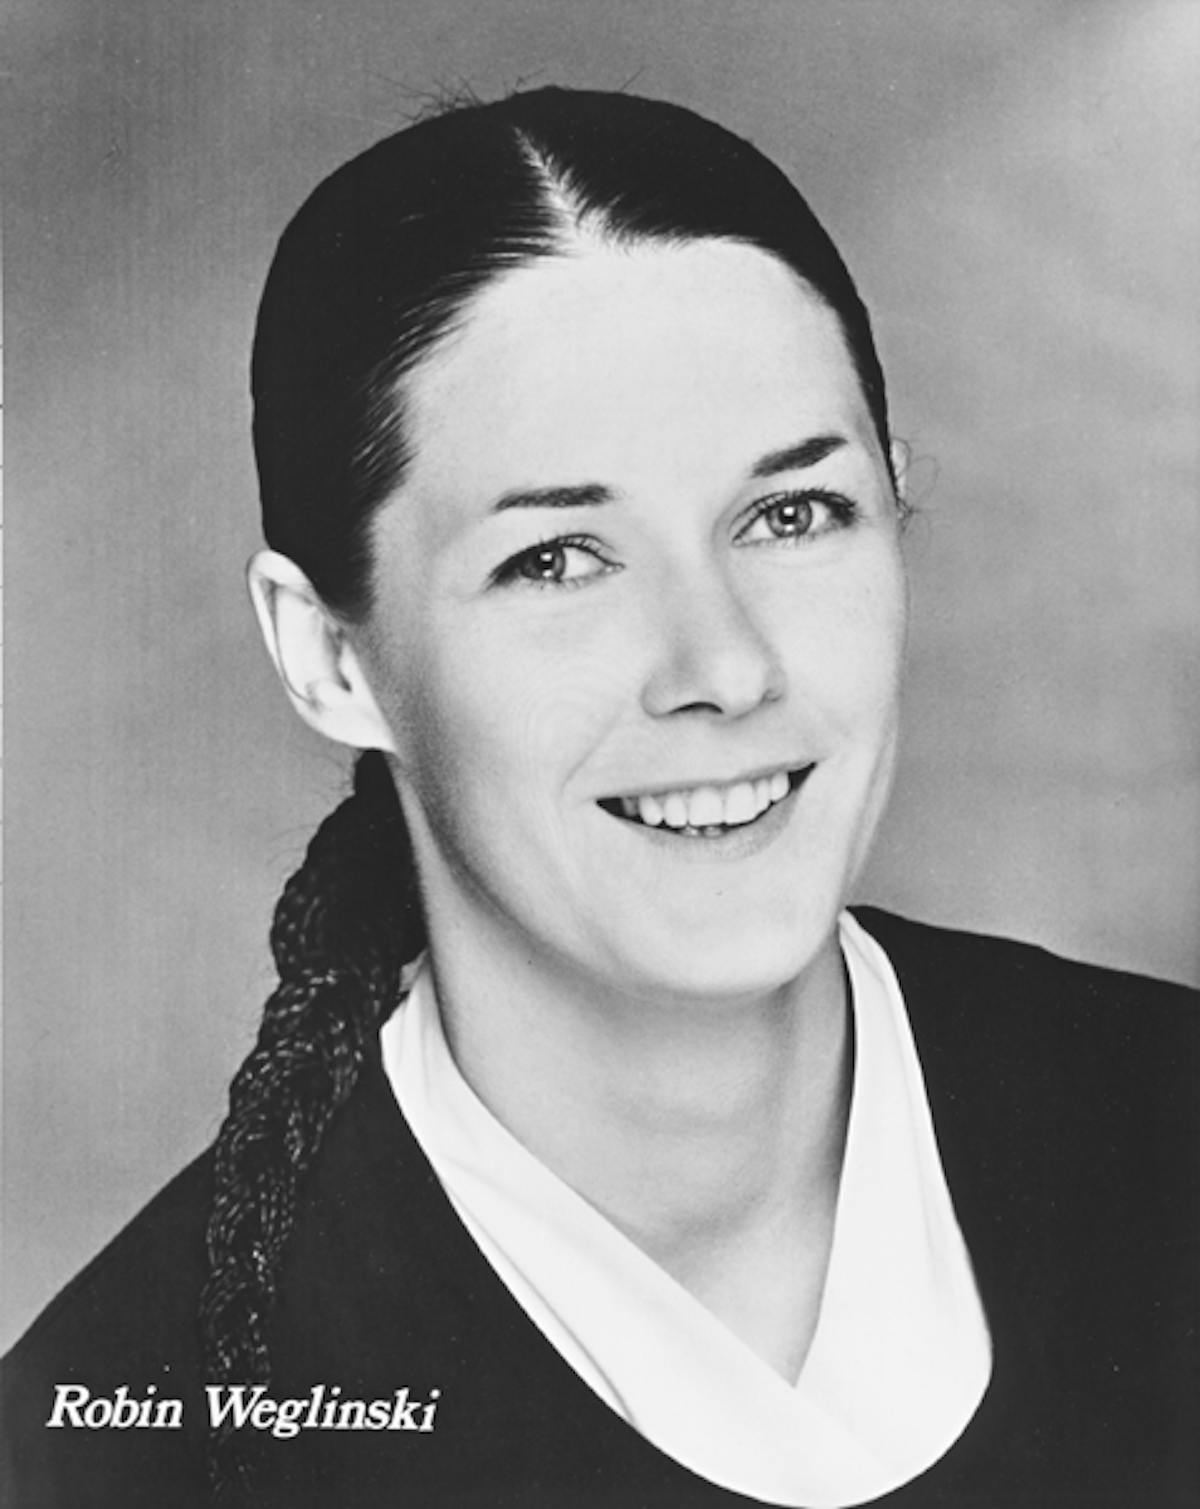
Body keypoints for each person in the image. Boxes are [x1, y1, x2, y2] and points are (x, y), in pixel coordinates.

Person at [2, 86, 1196, 1509]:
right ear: (330, 657)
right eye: (559, 559)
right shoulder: (111, 1445)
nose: (723, 666)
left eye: (791, 515)